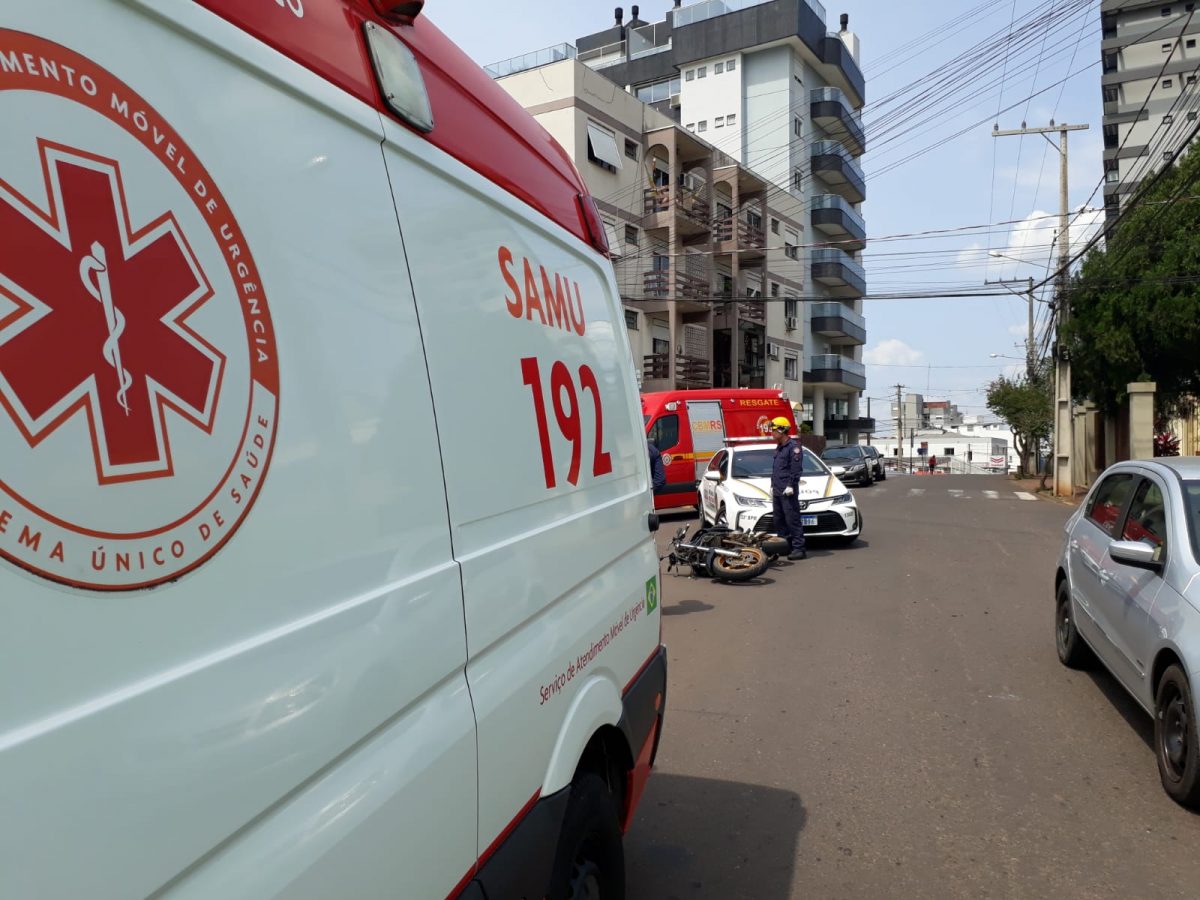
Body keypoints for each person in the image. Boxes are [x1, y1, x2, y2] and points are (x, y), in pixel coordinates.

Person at [768, 417, 807, 561]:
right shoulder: (779, 447)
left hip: (787, 490)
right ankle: (784, 546)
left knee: (792, 519)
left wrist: (791, 484)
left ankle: (799, 548)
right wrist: (772, 485)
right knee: (779, 520)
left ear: (781, 430)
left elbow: (796, 469)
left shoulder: (793, 447)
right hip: (778, 490)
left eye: (773, 430)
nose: (771, 433)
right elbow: (777, 469)